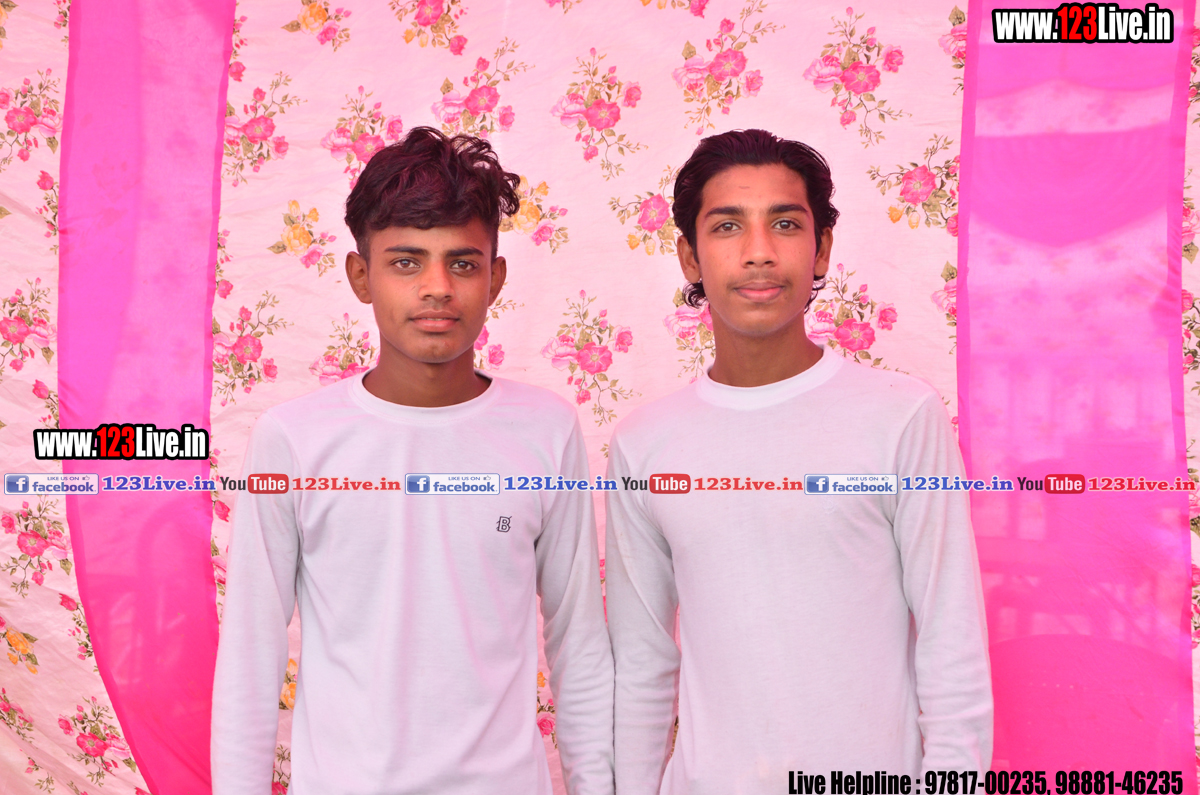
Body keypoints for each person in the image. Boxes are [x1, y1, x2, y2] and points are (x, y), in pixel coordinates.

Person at [211, 127, 614, 795]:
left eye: (463, 263)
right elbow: (250, 658)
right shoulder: (294, 441)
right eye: (406, 262)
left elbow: (580, 641)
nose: (437, 287)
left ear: (495, 278)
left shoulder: (547, 432)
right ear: (361, 276)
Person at [604, 129, 992, 794]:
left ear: (822, 248)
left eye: (785, 223)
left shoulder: (901, 416)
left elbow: (950, 638)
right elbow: (642, 664)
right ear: (689, 256)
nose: (759, 251)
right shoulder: (644, 444)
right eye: (728, 226)